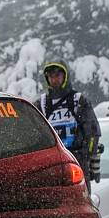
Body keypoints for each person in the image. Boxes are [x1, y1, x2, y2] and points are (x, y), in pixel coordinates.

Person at [38, 59, 101, 192]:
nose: (54, 79)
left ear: (65, 76)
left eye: (57, 76)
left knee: (82, 199)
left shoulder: (77, 100)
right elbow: (35, 134)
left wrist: (87, 156)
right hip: (53, 162)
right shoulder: (42, 103)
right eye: (50, 76)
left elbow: (93, 132)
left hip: (77, 160)